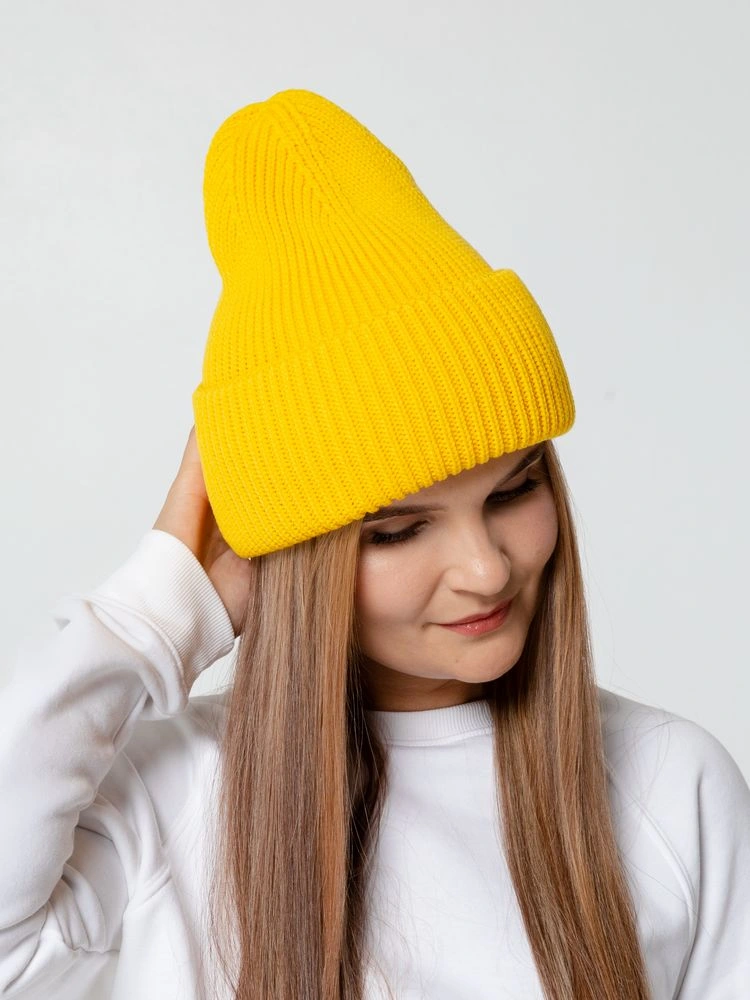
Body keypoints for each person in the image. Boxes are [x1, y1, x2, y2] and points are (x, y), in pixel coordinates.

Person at [1, 88, 748, 1000]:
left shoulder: (673, 785)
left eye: (515, 489)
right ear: (302, 561)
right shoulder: (176, 798)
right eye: (397, 530)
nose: (486, 568)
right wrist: (160, 607)